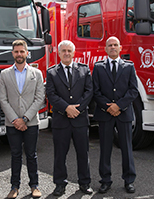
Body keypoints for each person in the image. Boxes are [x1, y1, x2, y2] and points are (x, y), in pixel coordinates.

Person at [46, 40, 93, 196]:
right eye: (63, 50)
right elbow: (51, 94)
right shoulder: (52, 72)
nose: (66, 53)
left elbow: (89, 92)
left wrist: (76, 109)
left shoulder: (84, 70)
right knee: (60, 154)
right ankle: (60, 184)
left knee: (83, 153)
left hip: (80, 120)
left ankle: (84, 183)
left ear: (74, 53)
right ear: (59, 53)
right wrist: (66, 108)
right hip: (61, 120)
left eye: (69, 51)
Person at [0, 40, 44, 199]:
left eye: (22, 51)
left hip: (31, 122)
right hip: (12, 124)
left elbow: (39, 98)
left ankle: (34, 185)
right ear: (13, 53)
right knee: (15, 155)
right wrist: (15, 120)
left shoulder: (36, 74)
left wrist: (24, 118)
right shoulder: (4, 74)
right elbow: (2, 100)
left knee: (31, 155)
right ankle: (14, 186)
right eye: (16, 52)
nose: (19, 54)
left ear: (27, 53)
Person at [92, 36, 138, 194]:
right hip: (105, 114)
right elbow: (95, 91)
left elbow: (133, 90)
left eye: (115, 45)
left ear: (120, 48)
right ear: (105, 49)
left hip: (123, 113)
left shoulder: (129, 66)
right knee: (105, 149)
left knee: (126, 148)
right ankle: (105, 180)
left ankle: (129, 180)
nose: (112, 47)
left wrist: (119, 106)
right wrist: (108, 107)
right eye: (109, 45)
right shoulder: (98, 67)